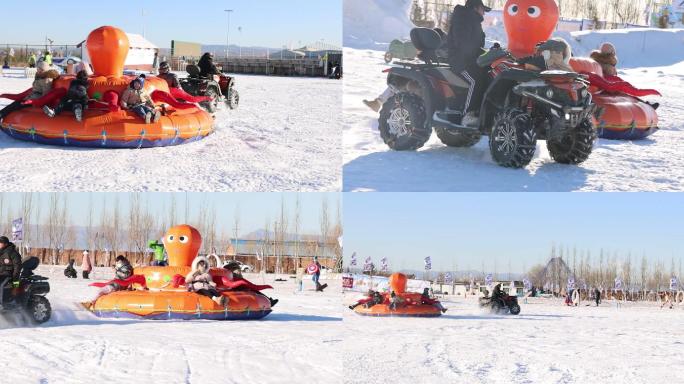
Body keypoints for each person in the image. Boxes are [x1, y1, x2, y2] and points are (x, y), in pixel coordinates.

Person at [443, 0, 491, 127]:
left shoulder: (474, 22)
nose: (484, 14)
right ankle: (468, 114)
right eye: (483, 10)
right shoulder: (463, 18)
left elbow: (477, 45)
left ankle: (483, 112)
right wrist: (478, 54)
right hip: (460, 61)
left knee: (489, 75)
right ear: (476, 8)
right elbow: (463, 44)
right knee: (475, 80)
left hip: (472, 61)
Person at [0, 236, 22, 309]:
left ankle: (1, 304)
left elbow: (17, 267)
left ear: (5, 244)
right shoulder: (1, 252)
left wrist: (15, 279)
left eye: (0, 242)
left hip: (8, 274)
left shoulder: (13, 253)